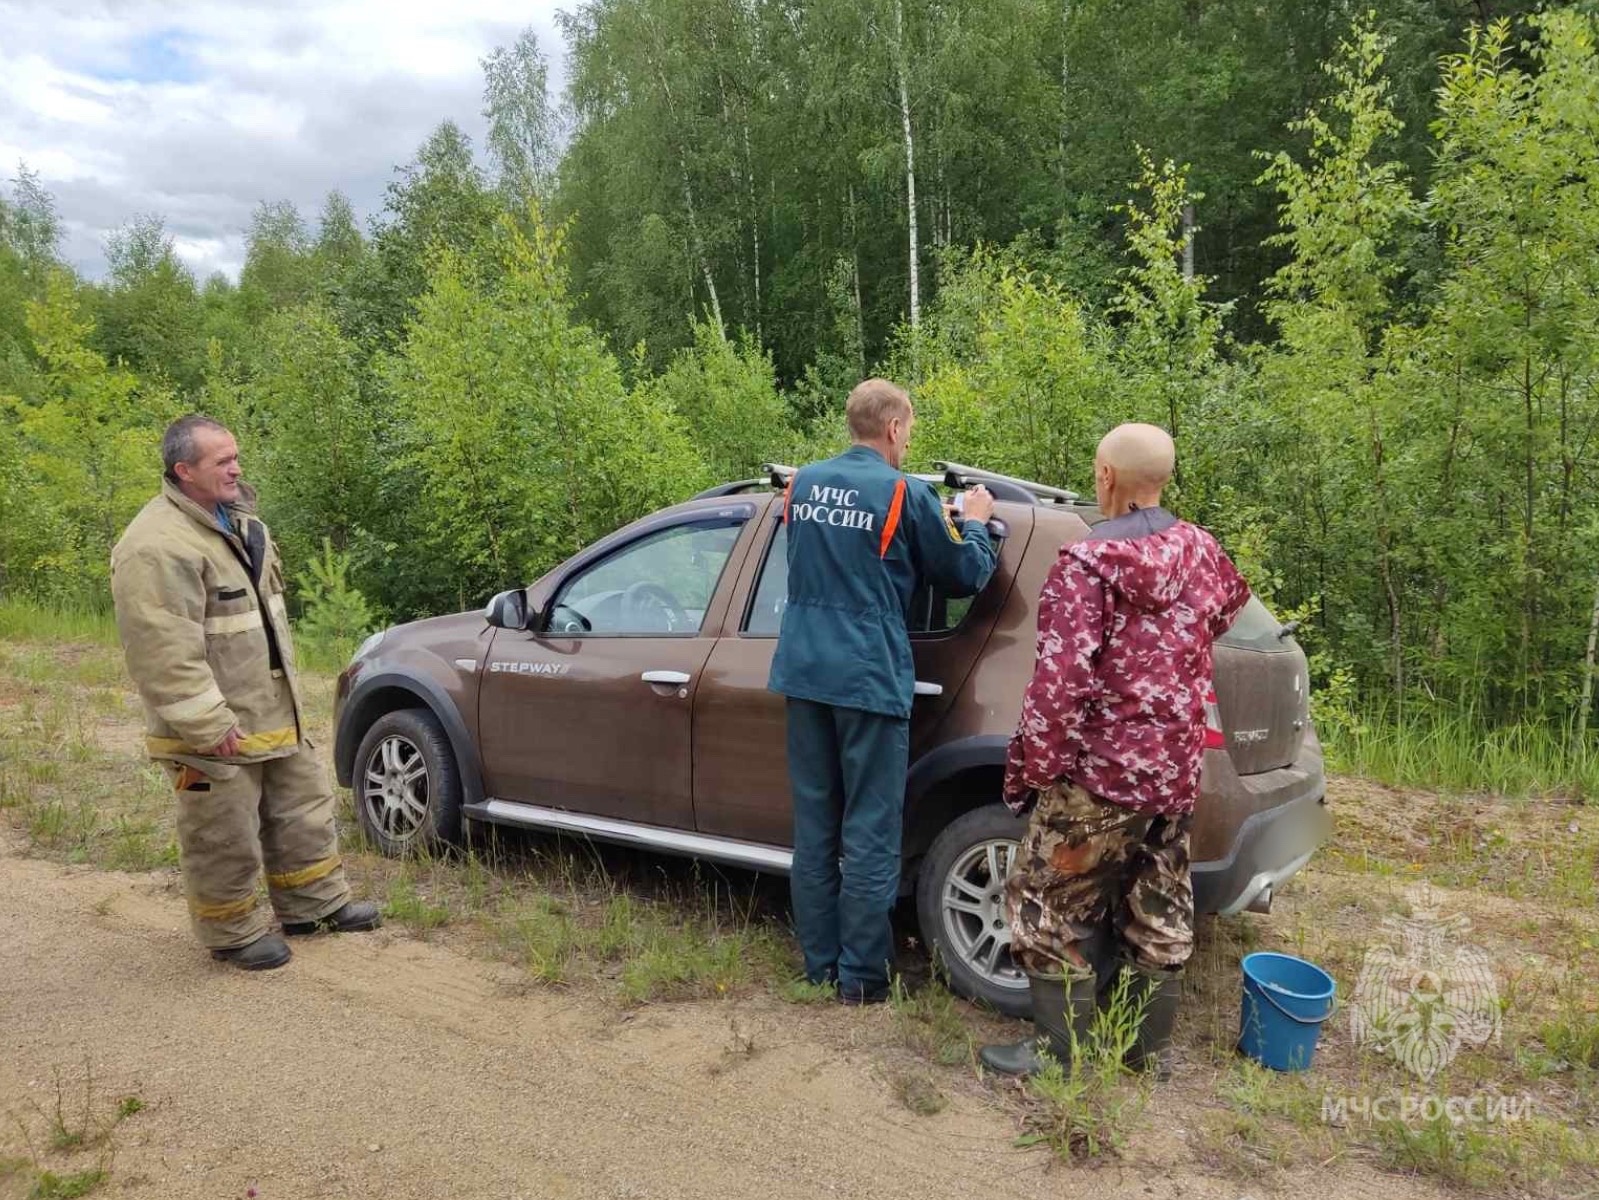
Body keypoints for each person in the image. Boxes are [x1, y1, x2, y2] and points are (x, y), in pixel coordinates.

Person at [981, 423, 1249, 1077]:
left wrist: (1030, 772)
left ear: (1104, 475)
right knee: (1157, 904)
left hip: (1098, 779)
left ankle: (1057, 1052)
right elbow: (1225, 612)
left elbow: (1058, 684)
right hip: (1172, 772)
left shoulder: (1084, 564)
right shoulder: (1201, 550)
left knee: (1043, 903)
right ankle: (1142, 1053)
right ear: (1162, 477)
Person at [111, 415, 380, 971]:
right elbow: (160, 647)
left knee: (302, 809)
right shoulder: (155, 545)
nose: (236, 468)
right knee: (222, 831)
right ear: (184, 470)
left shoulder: (236, 521)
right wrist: (206, 720)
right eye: (221, 461)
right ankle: (231, 932)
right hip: (213, 726)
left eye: (235, 456)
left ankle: (314, 906)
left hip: (271, 711)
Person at [769, 378, 999, 1004]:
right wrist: (973, 523)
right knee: (869, 831)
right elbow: (964, 575)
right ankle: (862, 979)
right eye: (910, 431)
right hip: (868, 677)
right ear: (895, 428)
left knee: (815, 827)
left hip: (805, 672)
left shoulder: (803, 483)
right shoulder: (906, 492)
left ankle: (819, 967)